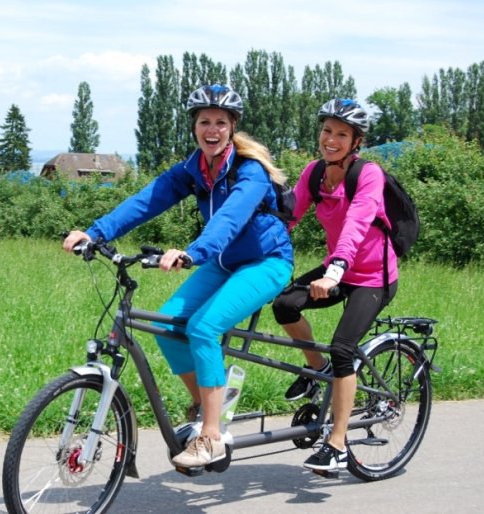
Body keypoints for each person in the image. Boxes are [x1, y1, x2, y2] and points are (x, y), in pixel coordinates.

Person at [63, 84, 293, 468]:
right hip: (223, 262)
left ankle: (212, 436)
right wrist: (95, 232)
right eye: (204, 121)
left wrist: (192, 252)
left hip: (266, 261)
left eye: (221, 122)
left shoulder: (250, 172)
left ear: (232, 127)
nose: (212, 129)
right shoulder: (193, 171)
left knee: (203, 328)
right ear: (195, 127)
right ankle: (210, 406)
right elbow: (146, 201)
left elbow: (230, 217)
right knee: (171, 327)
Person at [272, 98, 399, 474]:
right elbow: (287, 218)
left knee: (344, 347)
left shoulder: (368, 174)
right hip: (335, 270)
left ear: (356, 141)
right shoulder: (315, 173)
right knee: (283, 305)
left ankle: (338, 443)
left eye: (342, 134)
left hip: (372, 277)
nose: (331, 139)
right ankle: (316, 369)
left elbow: (357, 224)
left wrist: (336, 270)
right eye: (327, 130)